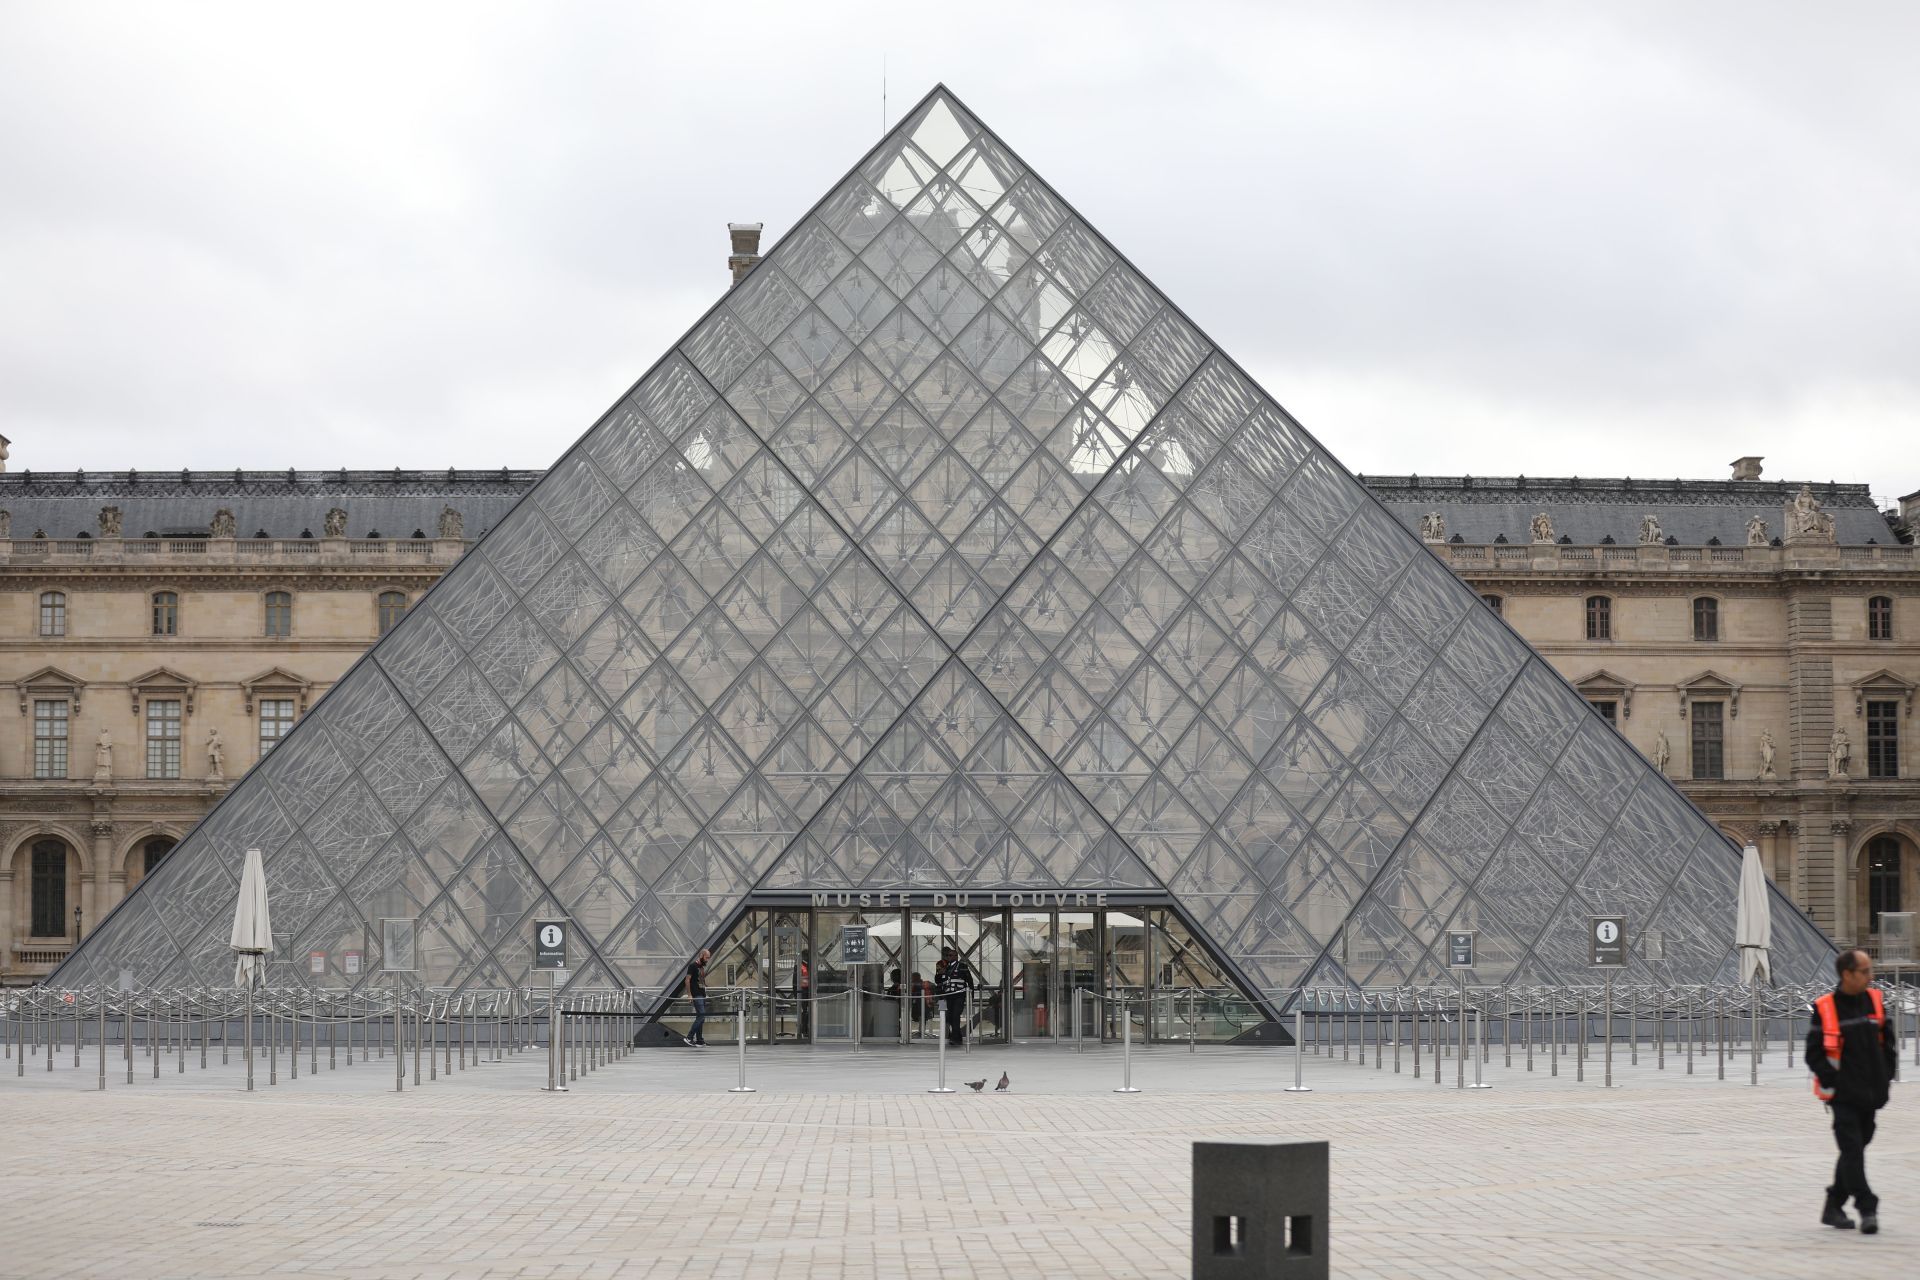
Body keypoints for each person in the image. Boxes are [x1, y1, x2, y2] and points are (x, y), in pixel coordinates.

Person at [1806, 947, 1898, 1232]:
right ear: (1847, 974)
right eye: (1865, 971)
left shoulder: (1874, 1001)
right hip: (1843, 1096)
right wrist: (1834, 1082)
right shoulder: (1825, 1008)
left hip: (1871, 1094)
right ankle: (1867, 1208)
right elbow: (1814, 1054)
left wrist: (1886, 1077)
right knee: (1853, 1150)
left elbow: (1888, 1044)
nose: (1871, 977)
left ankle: (1833, 1205)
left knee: (1854, 1149)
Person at [940, 945, 973, 1046]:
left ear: (956, 956)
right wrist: (939, 974)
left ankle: (955, 1038)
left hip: (959, 995)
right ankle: (957, 1036)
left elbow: (969, 979)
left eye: (950, 955)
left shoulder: (962, 966)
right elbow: (939, 980)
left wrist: (971, 993)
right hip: (949, 996)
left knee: (955, 1015)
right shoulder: (945, 967)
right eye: (947, 955)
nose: (948, 957)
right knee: (949, 1016)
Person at [682, 947, 710, 1048]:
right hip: (696, 994)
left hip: (702, 994)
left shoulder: (701, 967)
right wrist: (689, 994)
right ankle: (689, 1037)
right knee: (701, 1016)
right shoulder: (693, 966)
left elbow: (700, 980)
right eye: (707, 957)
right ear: (701, 956)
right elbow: (687, 980)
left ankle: (699, 1040)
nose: (707, 960)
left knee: (700, 1017)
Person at [795, 948, 812, 1040]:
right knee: (805, 1011)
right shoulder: (801, 966)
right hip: (804, 992)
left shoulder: (807, 965)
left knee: (807, 1011)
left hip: (807, 991)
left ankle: (806, 1029)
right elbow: (798, 981)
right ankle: (804, 1030)